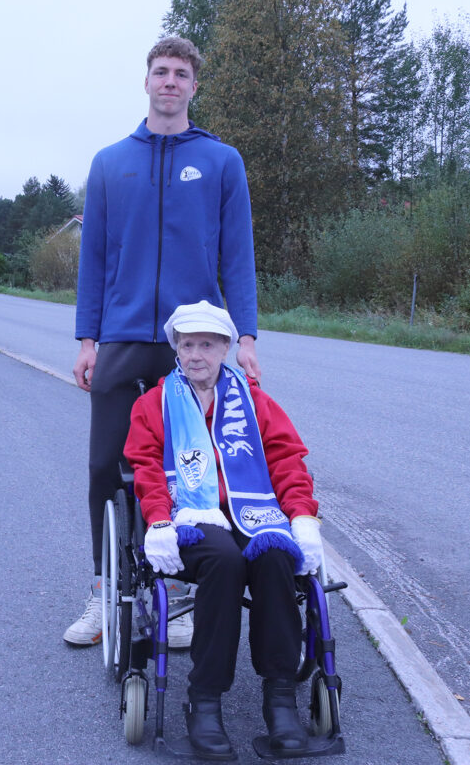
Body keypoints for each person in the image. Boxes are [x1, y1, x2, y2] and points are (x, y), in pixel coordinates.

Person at [67, 35, 262, 650]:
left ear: (194, 87)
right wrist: (86, 338)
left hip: (195, 343)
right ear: (146, 81)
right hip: (124, 338)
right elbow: (93, 259)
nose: (170, 81)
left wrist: (247, 335)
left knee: (196, 472)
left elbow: (238, 256)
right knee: (107, 466)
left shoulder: (222, 161)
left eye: (181, 73)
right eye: (161, 71)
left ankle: (183, 594)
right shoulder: (109, 163)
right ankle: (104, 593)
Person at [123, 301, 321, 759]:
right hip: (190, 518)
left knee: (274, 558)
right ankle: (205, 698)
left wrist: (303, 517)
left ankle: (280, 697)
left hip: (256, 515)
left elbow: (287, 461)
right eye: (187, 344)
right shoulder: (154, 403)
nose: (196, 355)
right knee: (224, 559)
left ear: (226, 348)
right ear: (176, 349)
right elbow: (146, 466)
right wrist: (156, 520)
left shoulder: (255, 401)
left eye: (207, 345)